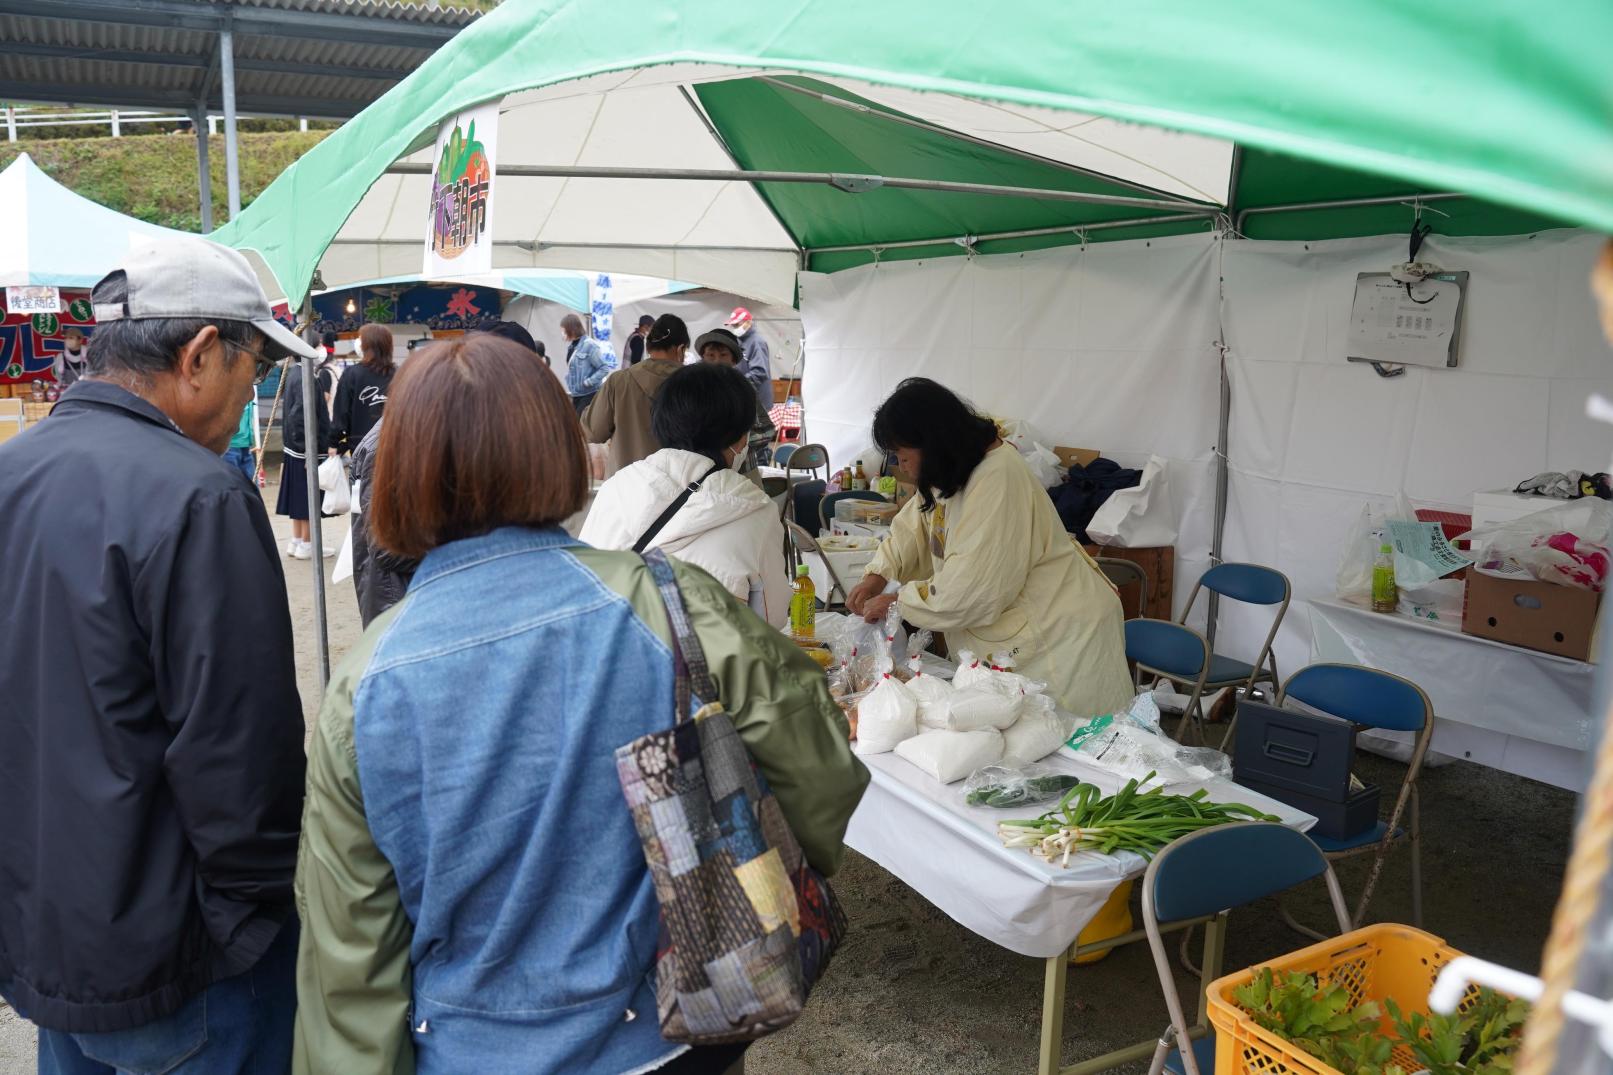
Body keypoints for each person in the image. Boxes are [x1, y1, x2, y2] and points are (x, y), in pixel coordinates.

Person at [293, 333, 865, 1075]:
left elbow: (349, 956)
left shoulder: (365, 682)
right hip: (671, 1032)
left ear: (399, 472)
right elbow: (821, 770)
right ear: (560, 450)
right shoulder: (668, 600)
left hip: (470, 1047)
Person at [0, 236, 308, 1075]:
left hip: (49, 942)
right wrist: (250, 922)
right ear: (201, 353)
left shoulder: (11, 472)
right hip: (182, 963)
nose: (252, 397)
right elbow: (241, 757)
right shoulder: (198, 495)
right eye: (254, 372)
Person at [846, 378, 1133, 718]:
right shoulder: (956, 470)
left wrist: (898, 600)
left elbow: (968, 592)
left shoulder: (997, 480)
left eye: (903, 455)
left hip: (1059, 640)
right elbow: (918, 523)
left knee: (1072, 746)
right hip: (1026, 633)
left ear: (932, 443)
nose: (901, 465)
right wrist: (878, 574)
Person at [582, 361, 791, 626]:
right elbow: (774, 616)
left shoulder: (617, 485)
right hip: (704, 664)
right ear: (740, 438)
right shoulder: (755, 507)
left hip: (608, 655)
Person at [581, 312, 687, 475]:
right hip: (679, 491)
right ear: (681, 349)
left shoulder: (618, 382)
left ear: (648, 346)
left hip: (624, 488)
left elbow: (593, 432)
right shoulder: (694, 385)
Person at [348, 417, 417, 626]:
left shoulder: (411, 433)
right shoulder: (386, 447)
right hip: (396, 601)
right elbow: (385, 547)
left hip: (406, 596)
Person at [278, 349, 335, 559]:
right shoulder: (307, 377)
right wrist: (307, 450)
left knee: (299, 497)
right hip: (305, 448)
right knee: (307, 498)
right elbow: (300, 415)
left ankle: (297, 540)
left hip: (295, 447)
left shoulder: (294, 372)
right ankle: (307, 544)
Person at [696, 326, 776, 474]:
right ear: (703, 358)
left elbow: (766, 431)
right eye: (711, 355)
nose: (717, 361)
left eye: (723, 355)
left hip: (743, 471)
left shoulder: (744, 389)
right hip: (702, 472)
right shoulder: (693, 390)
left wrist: (733, 446)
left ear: (734, 360)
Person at [329, 322, 394, 457]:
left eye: (361, 338)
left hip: (361, 448)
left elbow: (341, 414)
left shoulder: (352, 374)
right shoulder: (400, 374)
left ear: (367, 345)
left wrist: (334, 442)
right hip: (393, 447)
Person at [561, 312, 612, 414]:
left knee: (580, 425)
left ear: (571, 329)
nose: (562, 334)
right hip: (576, 394)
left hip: (589, 394)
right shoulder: (572, 347)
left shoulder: (590, 345)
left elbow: (604, 368)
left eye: (564, 330)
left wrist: (588, 382)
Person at [725, 306, 772, 412]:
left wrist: (735, 382)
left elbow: (759, 372)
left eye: (737, 325)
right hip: (747, 398)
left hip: (758, 402)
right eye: (733, 326)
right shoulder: (740, 341)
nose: (735, 329)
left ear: (748, 322)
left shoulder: (756, 342)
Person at [223, 389, 259, 489]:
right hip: (229, 446)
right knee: (233, 487)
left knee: (252, 487)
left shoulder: (247, 389)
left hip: (245, 445)